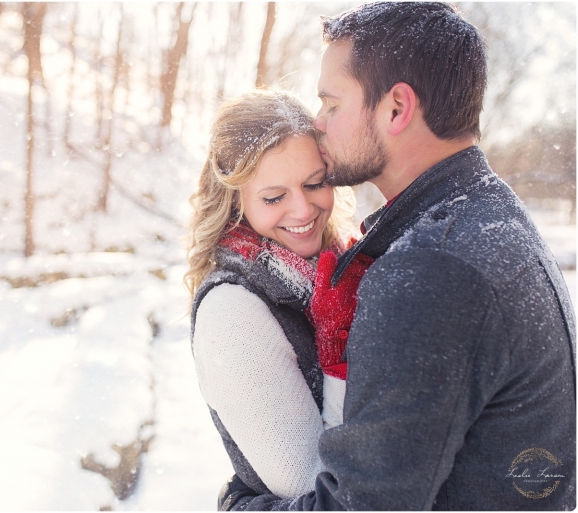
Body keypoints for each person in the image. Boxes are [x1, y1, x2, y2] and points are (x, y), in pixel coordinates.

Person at [218, 2, 576, 510]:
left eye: (332, 104)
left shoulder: (433, 269)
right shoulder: (487, 215)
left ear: (396, 108)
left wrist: (241, 504)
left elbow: (361, 506)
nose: (319, 123)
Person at [185, 89, 368, 499]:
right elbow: (315, 487)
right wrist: (339, 360)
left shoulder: (341, 266)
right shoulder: (232, 313)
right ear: (236, 201)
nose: (303, 210)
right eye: (274, 197)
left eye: (314, 184)